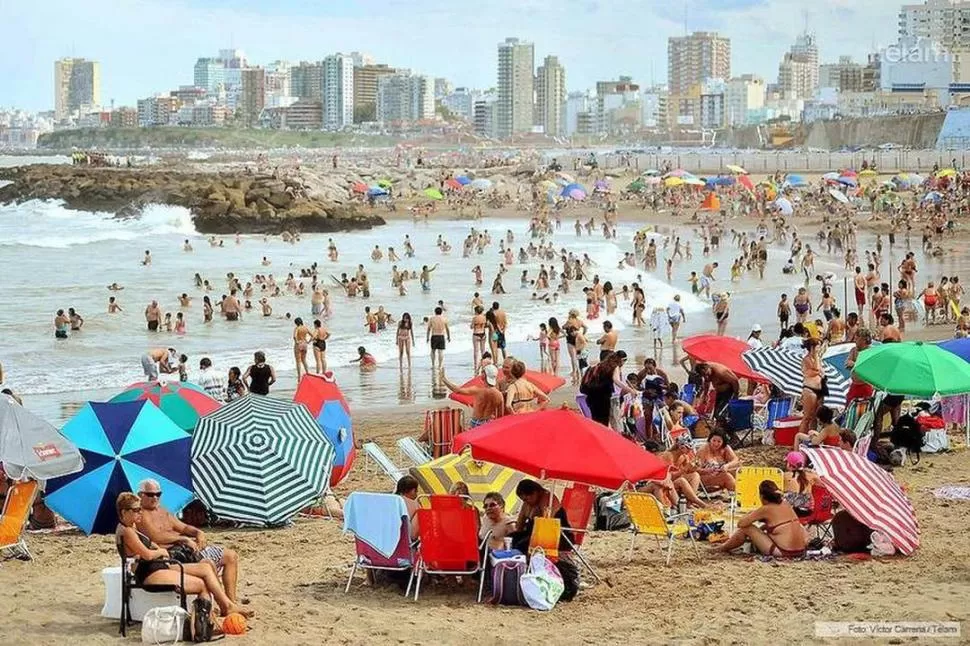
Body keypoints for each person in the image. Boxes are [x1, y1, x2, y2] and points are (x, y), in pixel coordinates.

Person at [115, 492, 252, 618]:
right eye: (136, 510)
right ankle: (207, 620)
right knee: (201, 584)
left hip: (158, 566)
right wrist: (162, 552)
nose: (140, 512)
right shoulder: (127, 531)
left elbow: (151, 545)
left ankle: (225, 606)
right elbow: (148, 555)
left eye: (140, 509)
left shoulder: (131, 527)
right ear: (124, 512)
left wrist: (158, 549)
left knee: (206, 567)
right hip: (149, 571)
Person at [135, 479, 245, 605]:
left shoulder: (162, 511)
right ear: (140, 495)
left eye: (158, 494)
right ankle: (221, 604)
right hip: (172, 554)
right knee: (207, 564)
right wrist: (183, 539)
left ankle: (231, 601)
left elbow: (183, 527)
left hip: (186, 549)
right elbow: (155, 537)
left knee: (230, 556)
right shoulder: (140, 515)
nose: (155, 497)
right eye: (150, 494)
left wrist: (198, 533)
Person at [714, 480, 808, 558]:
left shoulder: (766, 509)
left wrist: (751, 513)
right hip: (800, 550)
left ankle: (722, 548)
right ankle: (724, 546)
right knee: (768, 527)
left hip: (784, 552)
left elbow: (741, 524)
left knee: (747, 529)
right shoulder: (786, 504)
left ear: (762, 496)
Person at [580, 350, 638, 426]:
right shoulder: (614, 366)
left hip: (591, 396)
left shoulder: (600, 365)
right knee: (604, 422)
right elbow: (616, 380)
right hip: (603, 397)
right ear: (621, 360)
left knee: (596, 421)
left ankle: (596, 436)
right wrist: (630, 390)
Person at [798, 337, 825, 441]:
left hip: (818, 388)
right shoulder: (807, 359)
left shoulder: (817, 359)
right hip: (809, 389)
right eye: (818, 346)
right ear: (812, 347)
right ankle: (800, 438)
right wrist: (816, 356)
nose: (819, 348)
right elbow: (816, 369)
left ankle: (812, 439)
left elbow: (820, 371)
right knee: (807, 417)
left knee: (815, 417)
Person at [783, 451, 816, 516]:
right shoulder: (809, 475)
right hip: (807, 511)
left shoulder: (785, 475)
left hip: (793, 512)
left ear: (789, 464)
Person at [426, 307, 450, 374]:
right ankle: (440, 365)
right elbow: (447, 329)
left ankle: (433, 365)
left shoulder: (432, 319)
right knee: (440, 352)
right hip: (441, 336)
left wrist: (427, 337)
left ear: (435, 312)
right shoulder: (444, 319)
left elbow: (428, 329)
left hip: (434, 335)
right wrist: (448, 337)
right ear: (441, 312)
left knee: (433, 351)